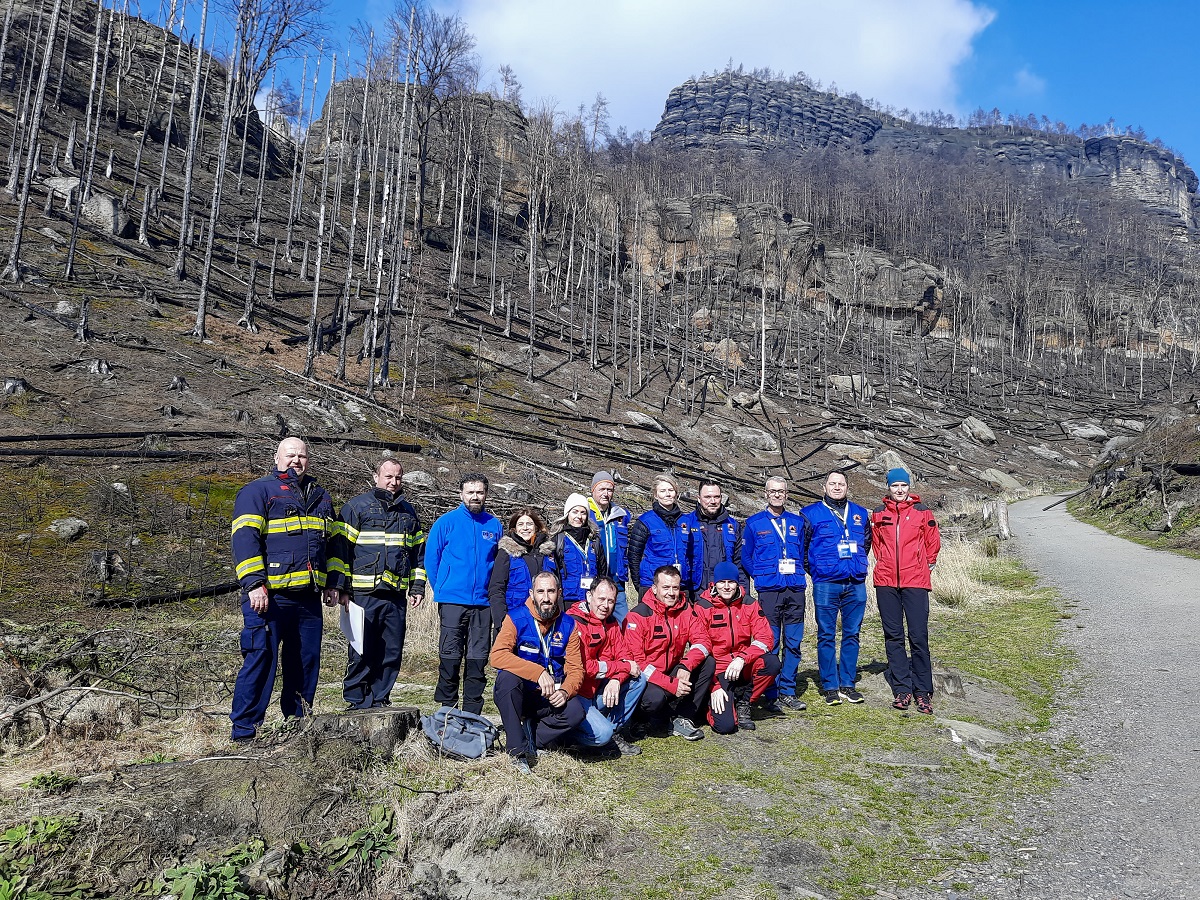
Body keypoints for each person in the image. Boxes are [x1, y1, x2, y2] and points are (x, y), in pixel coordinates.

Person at [229, 437, 335, 742]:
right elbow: (245, 539)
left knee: (304, 663)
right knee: (261, 661)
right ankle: (245, 733)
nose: (296, 460)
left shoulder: (321, 497)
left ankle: (297, 726)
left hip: (308, 599)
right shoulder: (258, 491)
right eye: (290, 455)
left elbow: (334, 543)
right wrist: (253, 584)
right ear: (277, 458)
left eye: (302, 456)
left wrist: (334, 583)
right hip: (269, 597)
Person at [326, 457, 426, 710]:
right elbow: (340, 551)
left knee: (391, 651)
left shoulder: (409, 512)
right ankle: (356, 700)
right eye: (388, 477)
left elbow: (418, 555)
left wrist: (417, 587)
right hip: (363, 593)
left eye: (398, 477)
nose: (393, 482)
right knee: (361, 649)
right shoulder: (355, 507)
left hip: (395, 595)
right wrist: (342, 588)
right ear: (376, 478)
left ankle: (381, 698)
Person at [490, 571, 587, 774]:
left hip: (549, 696)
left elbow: (577, 670)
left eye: (550, 591)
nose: (545, 597)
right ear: (531, 593)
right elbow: (497, 656)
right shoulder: (515, 618)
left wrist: (565, 692)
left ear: (559, 593)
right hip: (521, 693)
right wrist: (538, 672)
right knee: (506, 678)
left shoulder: (569, 625)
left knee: (575, 712)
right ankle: (516, 752)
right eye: (540, 591)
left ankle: (531, 736)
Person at [424, 473, 501, 715]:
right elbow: (431, 560)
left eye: (480, 492)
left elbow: (499, 562)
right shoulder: (446, 522)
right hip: (452, 602)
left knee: (478, 660)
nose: (475, 496)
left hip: (482, 604)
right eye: (470, 492)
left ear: (486, 494)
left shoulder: (494, 525)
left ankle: (471, 713)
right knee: (450, 656)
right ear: (461, 494)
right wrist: (443, 589)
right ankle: (448, 711)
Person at [870, 468, 941, 715]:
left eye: (903, 485)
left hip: (915, 581)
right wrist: (886, 565)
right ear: (888, 488)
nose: (899, 490)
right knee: (893, 636)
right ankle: (902, 689)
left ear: (909, 487)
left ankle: (923, 691)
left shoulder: (922, 512)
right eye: (894, 486)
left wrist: (925, 564)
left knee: (919, 637)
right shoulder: (879, 513)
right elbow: (877, 545)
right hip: (887, 582)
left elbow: (933, 542)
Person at [742, 475, 812, 712]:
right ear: (765, 493)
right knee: (770, 643)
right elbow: (746, 557)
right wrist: (760, 577)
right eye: (773, 491)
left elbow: (803, 551)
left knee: (793, 642)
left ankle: (788, 690)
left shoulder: (797, 522)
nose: (777, 495)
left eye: (781, 491)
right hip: (769, 590)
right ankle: (770, 692)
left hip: (794, 589)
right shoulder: (753, 523)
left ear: (787, 494)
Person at [802, 470, 872, 707]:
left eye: (841, 483)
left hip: (855, 583)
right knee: (826, 635)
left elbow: (866, 543)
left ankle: (848, 684)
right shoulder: (810, 514)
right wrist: (820, 570)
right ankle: (830, 686)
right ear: (824, 487)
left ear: (847, 486)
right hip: (826, 583)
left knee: (852, 633)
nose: (837, 487)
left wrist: (855, 565)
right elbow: (803, 550)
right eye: (832, 483)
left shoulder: (860, 514)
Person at [624, 565, 715, 740]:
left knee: (708, 662)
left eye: (675, 587)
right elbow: (638, 663)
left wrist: (686, 664)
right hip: (646, 677)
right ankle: (641, 720)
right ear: (654, 588)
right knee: (653, 699)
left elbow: (703, 642)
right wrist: (671, 684)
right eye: (666, 587)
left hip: (673, 670)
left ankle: (683, 718)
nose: (671, 593)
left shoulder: (686, 609)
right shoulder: (638, 615)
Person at [693, 561, 780, 734]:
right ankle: (708, 704)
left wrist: (742, 658)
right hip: (717, 671)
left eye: (731, 582)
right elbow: (701, 649)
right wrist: (714, 686)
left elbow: (766, 638)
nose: (726, 587)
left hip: (742, 666)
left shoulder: (749, 603)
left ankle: (744, 703)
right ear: (714, 583)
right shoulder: (702, 607)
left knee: (771, 663)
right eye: (722, 582)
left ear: (737, 583)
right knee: (725, 727)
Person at [567, 577, 646, 755]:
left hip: (598, 689)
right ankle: (570, 737)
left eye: (611, 601)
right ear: (589, 597)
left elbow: (625, 655)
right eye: (601, 599)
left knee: (639, 679)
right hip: (577, 694)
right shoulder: (574, 623)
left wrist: (616, 680)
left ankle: (614, 732)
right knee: (602, 734)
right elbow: (586, 667)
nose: (605, 605)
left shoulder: (611, 623)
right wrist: (621, 667)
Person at [487, 508, 553, 639]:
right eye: (520, 524)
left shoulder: (547, 553)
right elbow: (496, 588)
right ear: (514, 529)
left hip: (543, 620)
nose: (525, 528)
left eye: (529, 524)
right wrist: (502, 621)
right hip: (513, 620)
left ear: (536, 527)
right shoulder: (506, 553)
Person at [626, 473, 692, 597]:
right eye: (663, 491)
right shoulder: (645, 521)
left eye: (671, 490)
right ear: (656, 495)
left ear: (676, 493)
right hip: (652, 585)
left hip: (680, 585)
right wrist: (639, 586)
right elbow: (634, 556)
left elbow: (691, 554)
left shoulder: (686, 521)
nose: (667, 494)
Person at [680, 477, 745, 593]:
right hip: (694, 591)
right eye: (707, 497)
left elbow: (740, 564)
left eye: (716, 497)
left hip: (724, 591)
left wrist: (743, 592)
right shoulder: (685, 523)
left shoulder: (733, 526)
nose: (713, 501)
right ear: (699, 499)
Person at [587, 471, 632, 622]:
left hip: (617, 583)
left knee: (623, 626)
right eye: (602, 489)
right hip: (594, 581)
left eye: (609, 489)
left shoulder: (621, 516)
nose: (606, 493)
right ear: (593, 490)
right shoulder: (585, 513)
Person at [548, 493, 607, 607]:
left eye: (583, 512)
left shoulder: (595, 541)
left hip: (592, 600)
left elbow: (602, 572)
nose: (579, 516)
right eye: (575, 511)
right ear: (567, 514)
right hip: (567, 600)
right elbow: (551, 574)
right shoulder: (558, 540)